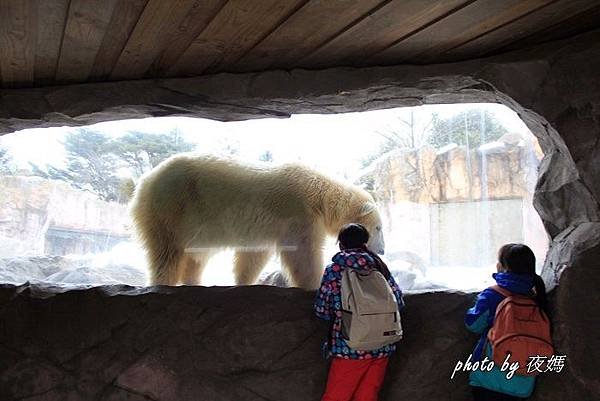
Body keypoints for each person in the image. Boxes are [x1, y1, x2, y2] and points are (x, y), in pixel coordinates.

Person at [314, 223, 404, 401]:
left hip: (350, 346)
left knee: (335, 397)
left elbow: (322, 309)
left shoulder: (335, 270)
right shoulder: (379, 266)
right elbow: (398, 300)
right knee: (367, 396)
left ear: (341, 244)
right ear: (366, 243)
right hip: (382, 343)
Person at [465, 243, 549, 400]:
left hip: (489, 378)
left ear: (502, 267)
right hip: (523, 382)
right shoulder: (537, 297)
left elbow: (473, 325)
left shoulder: (492, 294)